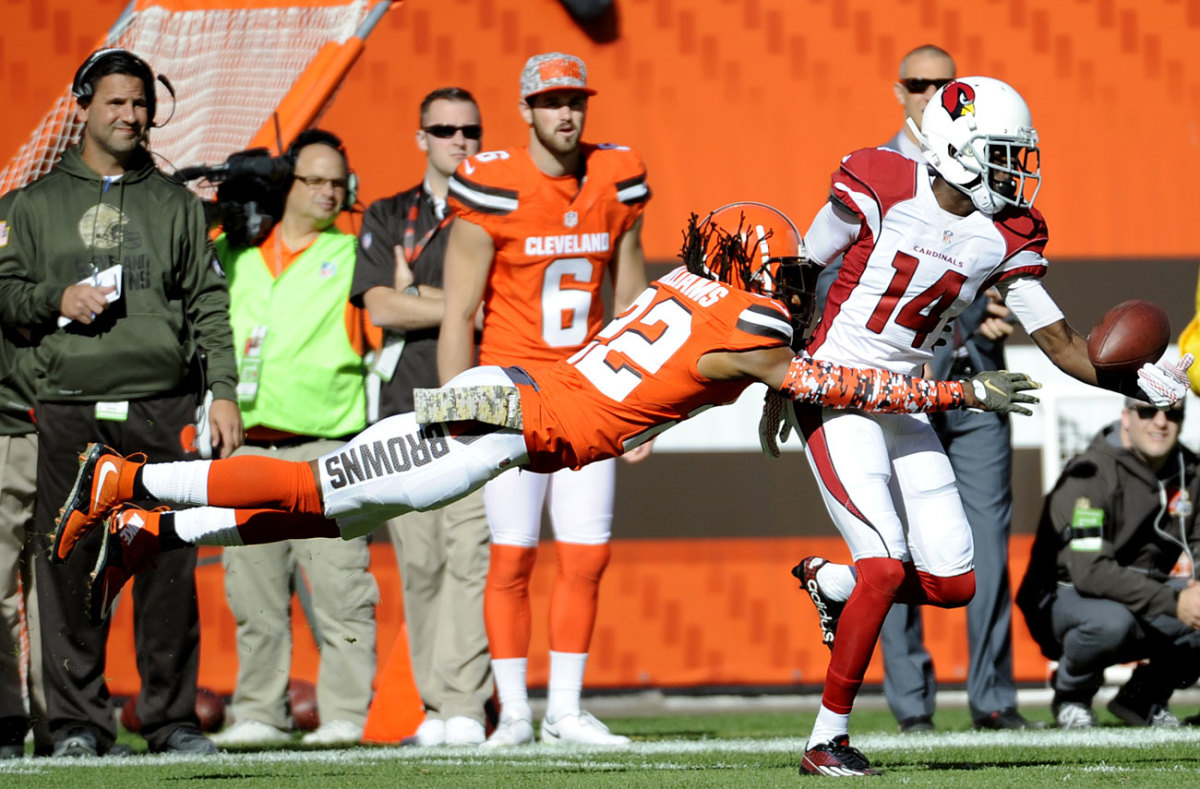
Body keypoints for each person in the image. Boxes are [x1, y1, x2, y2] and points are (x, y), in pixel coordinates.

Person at [53, 202, 1039, 722]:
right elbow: (840, 385)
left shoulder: (687, 287)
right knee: (321, 485)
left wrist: (682, 414)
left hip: (515, 409)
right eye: (776, 270)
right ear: (748, 268)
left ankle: (158, 525)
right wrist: (961, 391)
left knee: (338, 514)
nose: (788, 281)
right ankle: (126, 480)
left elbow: (677, 381)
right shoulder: (747, 327)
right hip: (502, 420)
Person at [791, 75, 1192, 776]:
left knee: (954, 583)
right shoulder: (880, 180)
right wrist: (781, 371)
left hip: (908, 399)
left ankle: (833, 582)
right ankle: (828, 737)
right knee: (885, 566)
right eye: (1004, 153)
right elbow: (799, 265)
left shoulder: (1005, 234)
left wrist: (1137, 380)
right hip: (840, 389)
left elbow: (1065, 344)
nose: (1016, 172)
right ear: (956, 147)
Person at [0, 48, 241, 757]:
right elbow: (5, 293)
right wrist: (56, 297)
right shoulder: (33, 205)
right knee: (70, 565)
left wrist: (222, 392)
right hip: (68, 405)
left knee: (167, 561)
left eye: (140, 104)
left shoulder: (174, 204)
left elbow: (208, 303)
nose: (131, 115)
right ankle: (77, 724)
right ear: (82, 104)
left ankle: (170, 720)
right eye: (115, 102)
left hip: (163, 406)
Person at [437, 51, 653, 747]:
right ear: (526, 108)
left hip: (588, 389)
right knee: (514, 553)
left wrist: (641, 401)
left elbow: (628, 300)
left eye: (576, 100)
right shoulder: (492, 184)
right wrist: (454, 406)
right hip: (510, 389)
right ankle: (517, 713)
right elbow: (458, 310)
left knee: (587, 554)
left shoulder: (616, 177)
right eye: (552, 100)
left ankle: (565, 708)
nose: (567, 113)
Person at [874, 44, 1033, 733]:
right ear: (899, 92)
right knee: (896, 543)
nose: (930, 91)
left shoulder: (993, 155)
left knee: (989, 548)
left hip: (977, 379)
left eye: (944, 82)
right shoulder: (878, 173)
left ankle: (993, 696)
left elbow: (1011, 256)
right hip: (903, 383)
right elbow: (852, 277)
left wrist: (1003, 301)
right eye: (919, 83)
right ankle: (912, 707)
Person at [212, 129, 379, 748]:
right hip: (248, 444)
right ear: (288, 184)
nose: (330, 191)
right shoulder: (234, 253)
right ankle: (259, 711)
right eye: (316, 180)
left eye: (339, 181)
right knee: (252, 592)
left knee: (342, 589)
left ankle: (345, 713)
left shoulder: (359, 251)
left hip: (328, 446)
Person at [353, 87, 493, 747]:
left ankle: (465, 702)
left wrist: (421, 294)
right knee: (424, 564)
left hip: (479, 405)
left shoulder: (498, 209)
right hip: (406, 408)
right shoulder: (387, 211)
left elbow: (495, 310)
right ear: (421, 136)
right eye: (443, 129)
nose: (458, 140)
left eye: (469, 129)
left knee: (470, 554)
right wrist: (457, 304)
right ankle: (438, 707)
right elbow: (379, 309)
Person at [1017, 398, 1200, 729]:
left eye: (1172, 413)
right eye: (1148, 411)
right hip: (1066, 595)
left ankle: (1142, 697)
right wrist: (1175, 603)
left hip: (1143, 594)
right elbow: (1090, 572)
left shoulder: (1192, 471)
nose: (1161, 422)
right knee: (1111, 623)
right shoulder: (1088, 473)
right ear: (1126, 417)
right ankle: (1072, 696)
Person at [0, 188, 50, 758]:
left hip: (61, 417)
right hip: (10, 419)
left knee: (57, 585)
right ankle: (8, 720)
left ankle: (63, 720)